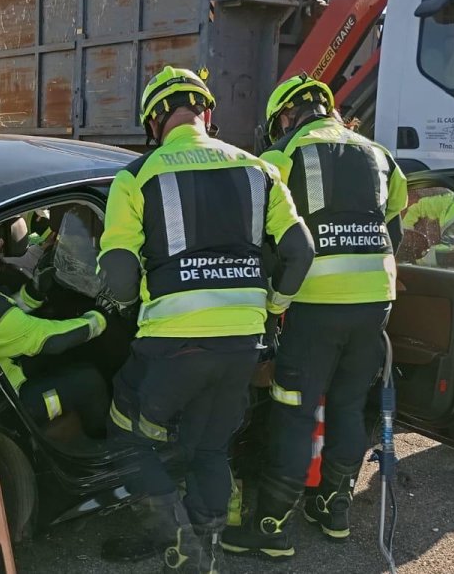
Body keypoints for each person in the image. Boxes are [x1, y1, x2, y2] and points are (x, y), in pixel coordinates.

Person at [98, 66, 314, 572]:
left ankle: (177, 542)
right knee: (210, 446)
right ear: (207, 113)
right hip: (243, 342)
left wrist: (132, 308)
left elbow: (120, 276)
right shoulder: (260, 169)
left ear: (154, 121)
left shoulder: (135, 176)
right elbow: (300, 252)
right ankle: (206, 553)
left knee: (127, 435)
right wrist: (273, 307)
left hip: (171, 344)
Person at [224, 74, 407, 559]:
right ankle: (333, 508)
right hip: (375, 301)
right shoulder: (379, 155)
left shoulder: (280, 157)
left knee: (294, 409)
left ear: (285, 116)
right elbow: (397, 231)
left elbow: (263, 243)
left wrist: (271, 304)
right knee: (348, 404)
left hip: (313, 305)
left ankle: (271, 527)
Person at [0, 218, 111, 438]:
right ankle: (103, 447)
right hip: (7, 407)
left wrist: (34, 292)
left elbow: (8, 319)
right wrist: (100, 317)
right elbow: (51, 340)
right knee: (89, 381)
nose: (0, 243)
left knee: (61, 360)